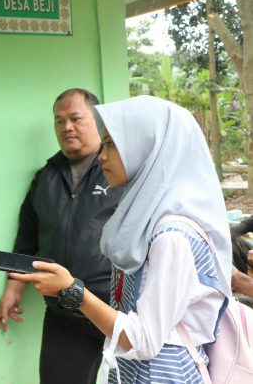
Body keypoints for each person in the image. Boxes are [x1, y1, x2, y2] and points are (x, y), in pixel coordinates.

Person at [14, 96, 232, 383]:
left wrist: (72, 290)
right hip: (132, 368)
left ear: (148, 147)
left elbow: (144, 339)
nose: (103, 155)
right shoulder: (145, 217)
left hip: (163, 375)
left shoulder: (171, 236)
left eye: (112, 144)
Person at [0, 88, 123, 384]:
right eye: (59, 121)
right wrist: (13, 289)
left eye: (76, 118)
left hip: (116, 305)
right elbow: (28, 237)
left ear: (99, 121)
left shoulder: (119, 170)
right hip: (64, 307)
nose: (67, 127)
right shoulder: (46, 177)